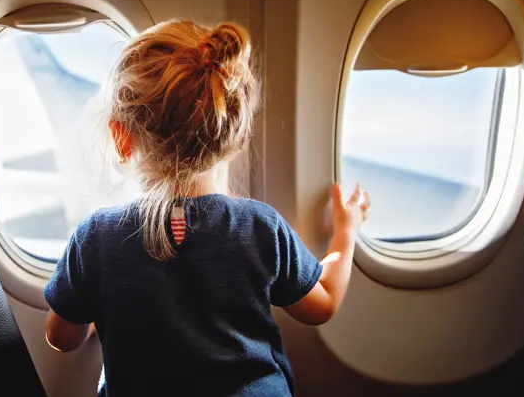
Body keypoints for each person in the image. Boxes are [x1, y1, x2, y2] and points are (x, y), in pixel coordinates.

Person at [43, 20, 370, 396]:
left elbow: (61, 336)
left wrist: (92, 300)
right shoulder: (258, 227)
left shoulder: (95, 239)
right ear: (232, 131)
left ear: (121, 137)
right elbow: (323, 302)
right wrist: (347, 229)